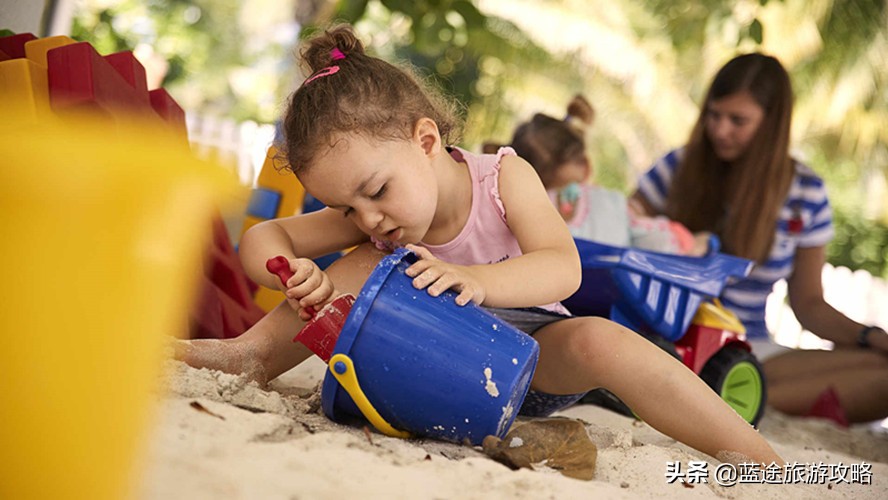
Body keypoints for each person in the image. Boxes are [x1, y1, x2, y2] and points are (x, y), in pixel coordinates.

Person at [178, 24, 781, 465]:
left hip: (529, 358)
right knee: (362, 263)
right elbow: (264, 236)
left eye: (376, 191)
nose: (368, 216)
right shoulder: (372, 221)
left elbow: (563, 268)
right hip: (424, 368)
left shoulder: (501, 179)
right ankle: (247, 356)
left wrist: (483, 282)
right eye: (346, 208)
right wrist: (290, 272)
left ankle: (754, 454)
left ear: (425, 139)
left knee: (603, 339)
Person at [631, 52, 888, 425]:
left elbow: (809, 304)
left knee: (880, 366)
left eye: (738, 120)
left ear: (773, 124)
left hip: (748, 345)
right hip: (670, 337)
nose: (720, 130)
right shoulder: (680, 166)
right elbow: (620, 227)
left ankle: (725, 396)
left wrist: (870, 335)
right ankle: (732, 399)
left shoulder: (806, 193)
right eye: (714, 115)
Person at [505, 95, 709, 255]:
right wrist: (692, 243)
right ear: (584, 163)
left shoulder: (510, 209)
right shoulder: (607, 204)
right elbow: (656, 239)